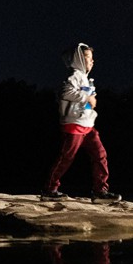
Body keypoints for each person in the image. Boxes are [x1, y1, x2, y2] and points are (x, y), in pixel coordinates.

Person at [41, 44, 122, 203]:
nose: (92, 62)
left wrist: (89, 103)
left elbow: (82, 103)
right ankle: (49, 190)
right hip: (74, 125)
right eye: (88, 58)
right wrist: (87, 98)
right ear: (78, 59)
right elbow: (65, 93)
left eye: (92, 59)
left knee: (100, 155)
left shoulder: (85, 78)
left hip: (87, 125)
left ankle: (100, 191)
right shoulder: (74, 75)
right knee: (66, 157)